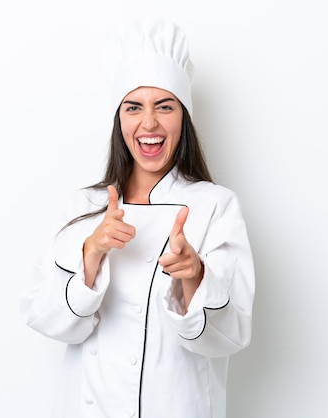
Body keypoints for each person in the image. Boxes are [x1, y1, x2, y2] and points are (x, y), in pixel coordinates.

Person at [20, 17, 255, 418]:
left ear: (184, 117)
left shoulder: (214, 206)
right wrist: (90, 253)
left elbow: (233, 334)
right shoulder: (82, 208)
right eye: (134, 107)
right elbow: (45, 318)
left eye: (164, 107)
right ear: (119, 119)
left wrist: (194, 276)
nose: (149, 123)